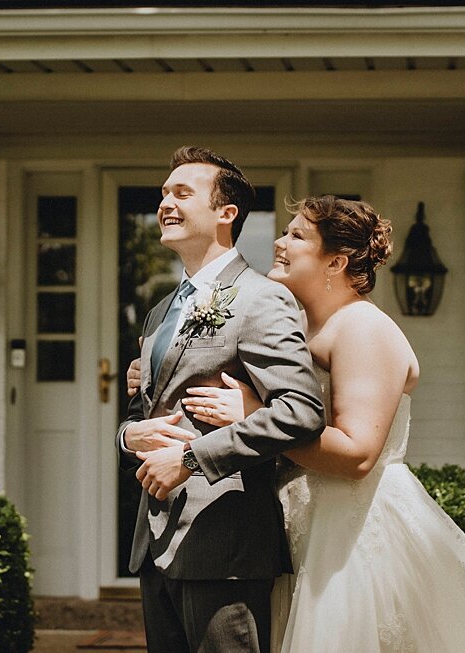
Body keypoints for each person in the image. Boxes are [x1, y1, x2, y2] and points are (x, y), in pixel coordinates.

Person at [129, 195, 465, 652]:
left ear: (335, 261)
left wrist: (256, 415)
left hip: (349, 531)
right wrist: (151, 370)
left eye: (296, 235)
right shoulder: (294, 324)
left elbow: (357, 455)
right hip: (293, 523)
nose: (279, 242)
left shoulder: (362, 328)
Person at [117, 146, 326, 653]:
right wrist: (129, 436)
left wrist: (192, 458)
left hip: (224, 544)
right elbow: (142, 411)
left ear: (226, 213)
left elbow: (302, 411)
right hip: (155, 545)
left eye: (182, 193)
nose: (166, 202)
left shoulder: (262, 298)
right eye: (164, 193)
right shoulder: (161, 310)